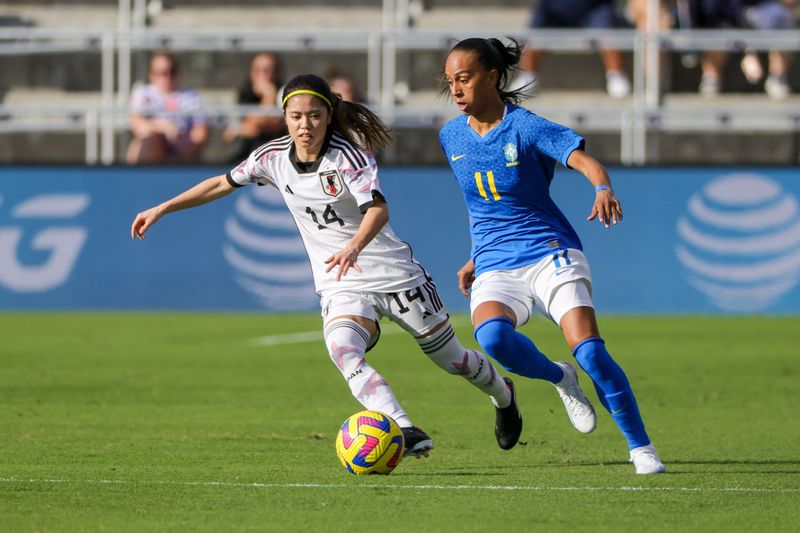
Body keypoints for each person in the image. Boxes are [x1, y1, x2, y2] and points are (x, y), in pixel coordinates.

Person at [131, 73, 525, 458]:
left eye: (315, 116)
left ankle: (503, 395)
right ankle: (403, 427)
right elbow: (220, 183)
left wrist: (354, 245)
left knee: (452, 359)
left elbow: (378, 210)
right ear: (285, 117)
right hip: (341, 281)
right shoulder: (271, 158)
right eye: (297, 116)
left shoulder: (348, 156)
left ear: (329, 115)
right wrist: (164, 207)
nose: (306, 125)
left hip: (392, 273)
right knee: (342, 348)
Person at [439, 37, 666, 474]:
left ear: (491, 76)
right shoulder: (451, 136)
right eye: (450, 82)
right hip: (494, 261)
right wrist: (475, 256)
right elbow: (482, 207)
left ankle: (641, 448)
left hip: (548, 251)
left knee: (592, 353)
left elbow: (584, 162)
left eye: (464, 79)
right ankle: (560, 378)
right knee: (491, 339)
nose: (457, 90)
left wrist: (602, 187)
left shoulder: (525, 127)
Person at [519, 0, 632, 98]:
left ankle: (617, 74)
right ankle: (528, 77)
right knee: (535, 33)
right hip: (554, 10)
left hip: (595, 8)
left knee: (607, 33)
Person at [686, 0, 794, 99]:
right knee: (714, 20)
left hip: (759, 6)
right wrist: (749, 52)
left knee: (781, 16)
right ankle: (711, 78)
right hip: (723, 12)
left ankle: (778, 77)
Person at [127, 52, 209, 164]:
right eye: (162, 73)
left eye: (172, 71)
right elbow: (137, 125)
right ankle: (139, 177)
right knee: (146, 139)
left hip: (184, 154)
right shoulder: (143, 94)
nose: (168, 77)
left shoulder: (191, 97)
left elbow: (200, 132)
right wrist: (165, 128)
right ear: (151, 74)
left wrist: (184, 148)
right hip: (152, 154)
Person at [223, 53, 288, 163]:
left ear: (276, 73)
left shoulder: (285, 94)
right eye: (257, 70)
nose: (261, 75)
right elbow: (228, 136)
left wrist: (269, 94)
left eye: (266, 71)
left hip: (276, 158)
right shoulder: (245, 95)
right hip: (246, 155)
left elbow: (264, 125)